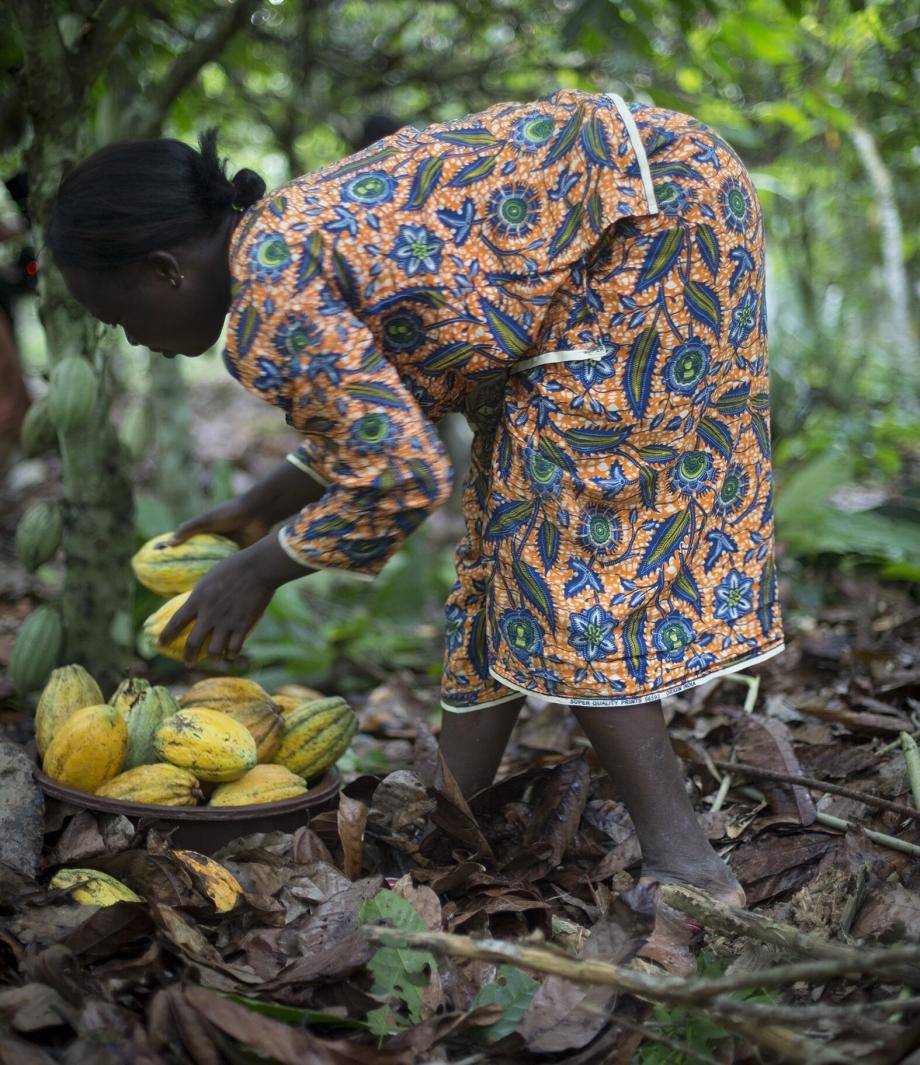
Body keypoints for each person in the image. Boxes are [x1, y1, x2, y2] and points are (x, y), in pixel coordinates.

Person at [48, 88, 784, 972]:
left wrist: (258, 570)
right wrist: (261, 511)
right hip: (660, 191)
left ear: (165, 269)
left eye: (122, 319)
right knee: (508, 540)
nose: (135, 343)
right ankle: (449, 819)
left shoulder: (269, 293)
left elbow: (403, 477)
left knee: (565, 556)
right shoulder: (278, 241)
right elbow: (384, 415)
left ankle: (688, 873)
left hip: (651, 226)